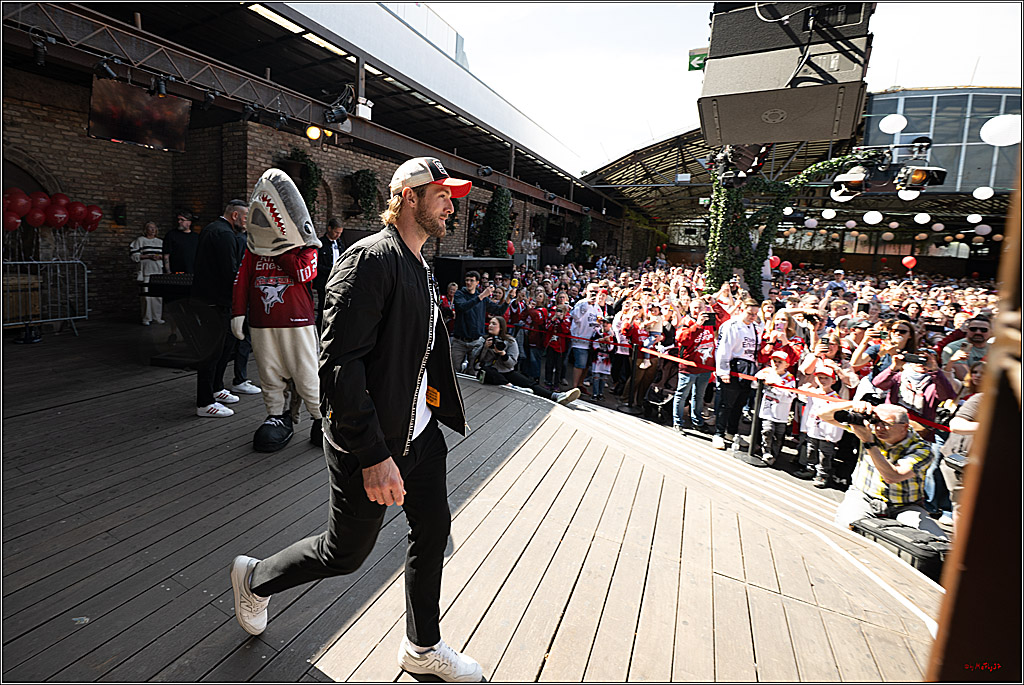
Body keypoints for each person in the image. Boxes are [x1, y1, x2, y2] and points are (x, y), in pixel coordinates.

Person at [229, 156, 484, 682]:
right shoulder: (370, 261)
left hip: (420, 436)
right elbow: (340, 367)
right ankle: (254, 578)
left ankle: (422, 646)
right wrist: (373, 457)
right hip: (371, 444)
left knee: (432, 532)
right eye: (440, 193)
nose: (449, 203)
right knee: (342, 554)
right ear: (408, 197)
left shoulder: (420, 264)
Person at [231, 168, 322, 452]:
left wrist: (277, 248)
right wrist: (237, 312)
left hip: (298, 323)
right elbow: (241, 280)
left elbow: (302, 273)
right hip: (262, 323)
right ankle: (277, 416)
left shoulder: (307, 248)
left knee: (307, 374)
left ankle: (321, 418)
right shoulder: (252, 251)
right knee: (269, 373)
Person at [818, 401, 947, 538]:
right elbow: (823, 414)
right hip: (864, 497)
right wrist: (853, 404)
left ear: (905, 427)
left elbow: (893, 477)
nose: (879, 428)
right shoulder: (870, 430)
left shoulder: (921, 449)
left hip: (904, 505)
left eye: (886, 424)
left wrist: (869, 443)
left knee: (936, 540)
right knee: (846, 525)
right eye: (876, 422)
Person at [191, 201, 249, 417]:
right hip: (215, 302)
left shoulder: (214, 229)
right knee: (212, 351)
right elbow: (230, 273)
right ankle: (205, 402)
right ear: (235, 215)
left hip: (214, 301)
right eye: (245, 217)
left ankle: (216, 388)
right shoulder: (223, 234)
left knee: (225, 347)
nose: (246, 222)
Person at [475, 315, 579, 405]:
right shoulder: (483, 339)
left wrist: (503, 354)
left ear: (501, 327)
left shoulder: (510, 341)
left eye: (494, 324)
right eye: (490, 323)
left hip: (506, 371)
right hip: (489, 372)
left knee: (529, 383)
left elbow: (511, 363)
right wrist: (485, 347)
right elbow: (475, 358)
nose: (490, 326)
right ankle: (513, 387)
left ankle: (556, 395)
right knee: (487, 370)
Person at [712, 297, 762, 450]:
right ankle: (719, 434)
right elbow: (724, 349)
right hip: (734, 366)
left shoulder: (754, 327)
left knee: (739, 404)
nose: (752, 316)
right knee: (726, 403)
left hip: (748, 368)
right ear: (742, 310)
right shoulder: (731, 325)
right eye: (750, 313)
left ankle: (731, 432)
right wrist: (723, 371)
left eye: (755, 314)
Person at [753, 350, 797, 466]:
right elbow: (754, 384)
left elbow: (790, 396)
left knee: (778, 435)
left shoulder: (790, 378)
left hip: (781, 413)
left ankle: (774, 454)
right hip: (767, 410)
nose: (776, 364)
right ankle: (766, 452)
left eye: (780, 362)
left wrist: (775, 387)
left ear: (786, 364)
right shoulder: (767, 371)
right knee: (767, 430)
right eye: (774, 361)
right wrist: (759, 378)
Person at [451, 270, 493, 373]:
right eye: (467, 280)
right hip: (459, 341)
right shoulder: (460, 294)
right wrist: (481, 296)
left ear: (477, 282)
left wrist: (509, 299)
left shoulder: (482, 298)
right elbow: (462, 307)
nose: (469, 283)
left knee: (473, 371)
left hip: (475, 341)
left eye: (472, 280)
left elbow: (497, 310)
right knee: (454, 369)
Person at [568, 283, 602, 393]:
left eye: (596, 292)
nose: (594, 294)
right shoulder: (581, 303)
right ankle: (574, 387)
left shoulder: (597, 306)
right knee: (580, 364)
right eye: (592, 291)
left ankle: (580, 384)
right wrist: (587, 303)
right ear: (586, 291)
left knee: (587, 365)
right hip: (580, 340)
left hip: (592, 341)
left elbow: (599, 321)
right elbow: (576, 317)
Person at [130, 221, 164, 326]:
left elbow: (166, 255)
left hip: (158, 271)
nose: (152, 230)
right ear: (146, 229)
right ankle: (146, 317)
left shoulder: (160, 242)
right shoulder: (141, 240)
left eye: (154, 227)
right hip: (146, 271)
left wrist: (159, 257)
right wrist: (149, 256)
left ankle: (157, 317)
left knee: (158, 296)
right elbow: (134, 255)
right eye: (150, 228)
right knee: (146, 296)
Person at [313, 216, 345, 329]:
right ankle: (319, 331)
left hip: (337, 281)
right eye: (336, 232)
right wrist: (331, 270)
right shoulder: (320, 244)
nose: (338, 235)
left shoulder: (340, 244)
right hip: (324, 282)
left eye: (340, 233)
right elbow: (316, 265)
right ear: (329, 229)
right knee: (323, 308)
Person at [162, 211, 200, 275]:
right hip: (176, 272)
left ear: (189, 222)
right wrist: (168, 272)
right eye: (178, 219)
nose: (179, 222)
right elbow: (166, 255)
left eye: (182, 220)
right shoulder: (171, 235)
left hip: (192, 272)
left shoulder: (196, 237)